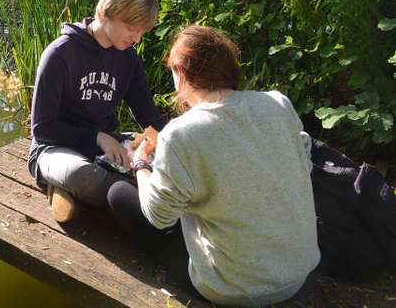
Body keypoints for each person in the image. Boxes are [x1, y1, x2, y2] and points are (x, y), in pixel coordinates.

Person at [121, 25, 320, 306]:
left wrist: (140, 163)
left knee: (119, 195)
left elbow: (158, 216)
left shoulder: (180, 134)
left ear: (181, 73)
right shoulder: (278, 103)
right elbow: (305, 163)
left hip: (234, 289)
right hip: (297, 274)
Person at [28, 0, 167, 222]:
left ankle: (75, 195)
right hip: (53, 149)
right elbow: (42, 129)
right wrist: (97, 137)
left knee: (163, 159)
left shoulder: (128, 59)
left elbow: (148, 114)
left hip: (105, 150)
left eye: (141, 32)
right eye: (131, 28)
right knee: (83, 176)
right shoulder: (60, 53)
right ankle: (71, 186)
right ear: (106, 12)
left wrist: (171, 144)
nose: (136, 38)